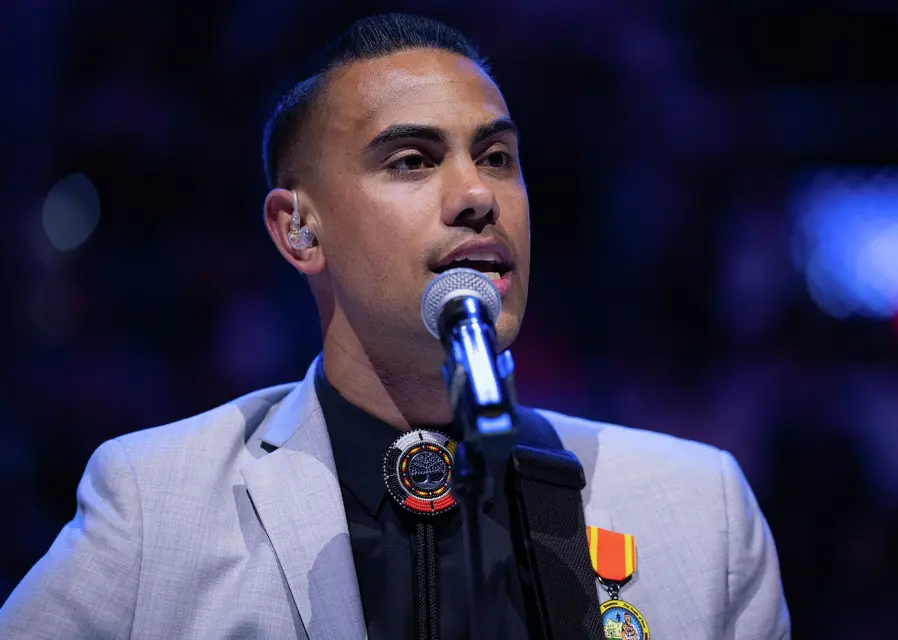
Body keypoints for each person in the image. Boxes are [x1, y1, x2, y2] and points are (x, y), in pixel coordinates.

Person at [0, 13, 790, 640]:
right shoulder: (158, 503)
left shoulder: (698, 512)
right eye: (412, 160)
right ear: (299, 230)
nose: (476, 195)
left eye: (498, 157)